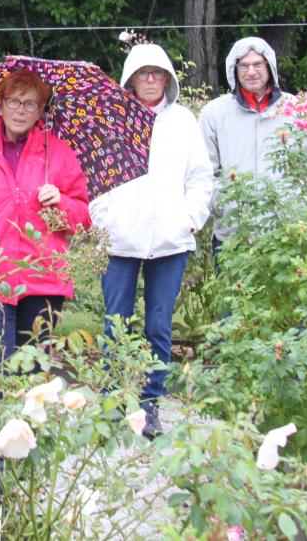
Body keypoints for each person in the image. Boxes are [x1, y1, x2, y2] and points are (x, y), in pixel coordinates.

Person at [89, 43, 214, 439]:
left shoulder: (182, 122)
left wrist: (190, 219)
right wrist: (102, 222)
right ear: (129, 78)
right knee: (115, 324)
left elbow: (200, 176)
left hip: (169, 240)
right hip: (120, 239)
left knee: (158, 325)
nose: (149, 79)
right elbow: (94, 176)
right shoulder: (111, 119)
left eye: (156, 73)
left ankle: (150, 405)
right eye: (142, 73)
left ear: (167, 79)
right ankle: (111, 404)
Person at [0, 68, 91, 369]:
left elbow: (82, 217)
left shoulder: (59, 154)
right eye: (13, 101)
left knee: (34, 372)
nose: (20, 110)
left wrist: (61, 202)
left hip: (43, 279)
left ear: (41, 110)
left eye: (30, 104)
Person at [198, 36, 296, 250]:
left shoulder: (293, 109)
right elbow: (204, 171)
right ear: (234, 69)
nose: (251, 71)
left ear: (269, 66)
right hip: (232, 236)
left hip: (286, 231)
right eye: (244, 65)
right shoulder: (214, 113)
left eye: (258, 64)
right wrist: (222, 205)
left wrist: (297, 209)